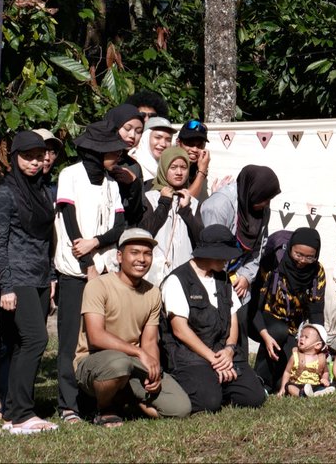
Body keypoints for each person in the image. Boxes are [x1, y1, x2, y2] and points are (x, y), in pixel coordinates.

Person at [74, 228, 191, 424]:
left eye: (147, 254)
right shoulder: (98, 286)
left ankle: (129, 397)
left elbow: (150, 340)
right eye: (134, 253)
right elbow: (96, 336)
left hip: (134, 362)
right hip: (96, 360)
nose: (142, 259)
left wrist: (153, 370)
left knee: (180, 408)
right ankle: (105, 408)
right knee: (119, 363)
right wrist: (138, 353)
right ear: (119, 256)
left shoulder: (153, 293)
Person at [52, 119, 128, 423]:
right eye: (112, 151)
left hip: (105, 270)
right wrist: (87, 265)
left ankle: (95, 402)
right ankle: (68, 405)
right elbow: (70, 224)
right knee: (71, 339)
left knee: (99, 338)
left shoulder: (112, 184)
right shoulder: (69, 175)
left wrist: (96, 242)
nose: (118, 155)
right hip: (76, 272)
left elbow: (119, 226)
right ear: (96, 152)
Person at [0, 130, 58, 434]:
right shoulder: (5, 194)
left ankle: (15, 412)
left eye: (39, 157)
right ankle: (22, 413)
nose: (34, 163)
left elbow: (47, 240)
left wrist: (51, 277)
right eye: (28, 157)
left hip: (41, 276)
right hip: (17, 278)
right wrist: (6, 286)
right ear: (15, 158)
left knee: (22, 344)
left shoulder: (42, 191)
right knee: (35, 340)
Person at [161, 224, 266, 413]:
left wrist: (229, 350)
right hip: (191, 356)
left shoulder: (224, 278)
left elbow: (233, 320)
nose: (228, 260)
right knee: (209, 402)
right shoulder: (177, 280)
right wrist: (213, 359)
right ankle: (202, 383)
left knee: (254, 397)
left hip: (223, 352)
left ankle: (216, 381)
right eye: (225, 255)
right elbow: (179, 329)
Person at [252, 227, 328, 389]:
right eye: (298, 254)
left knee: (288, 376)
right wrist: (264, 333)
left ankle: (276, 385)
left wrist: (319, 341)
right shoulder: (273, 264)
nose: (302, 260)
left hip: (294, 327)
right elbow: (255, 305)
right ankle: (260, 381)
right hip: (265, 318)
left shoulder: (317, 272)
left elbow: (316, 310)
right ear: (290, 248)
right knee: (278, 331)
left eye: (309, 257)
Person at [199, 164, 280, 303]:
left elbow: (259, 247)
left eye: (269, 199)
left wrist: (246, 276)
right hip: (210, 280)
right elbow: (211, 253)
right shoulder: (219, 206)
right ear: (253, 192)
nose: (267, 204)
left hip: (237, 282)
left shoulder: (262, 210)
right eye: (265, 199)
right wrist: (223, 287)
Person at [142, 146, 201, 288]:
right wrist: (163, 203)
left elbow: (200, 239)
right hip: (154, 275)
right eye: (173, 167)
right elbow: (145, 233)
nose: (179, 172)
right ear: (164, 168)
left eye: (183, 167)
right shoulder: (150, 198)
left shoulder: (193, 202)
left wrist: (186, 211)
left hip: (184, 277)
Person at [103, 104, 147, 225]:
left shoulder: (133, 166)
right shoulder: (91, 158)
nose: (132, 135)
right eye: (127, 128)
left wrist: (134, 184)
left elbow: (137, 214)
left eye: (138, 131)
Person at [277, 323, 331, 397]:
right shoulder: (295, 356)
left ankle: (318, 392)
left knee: (321, 387)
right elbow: (287, 372)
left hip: (314, 385)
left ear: (317, 345)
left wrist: (325, 379)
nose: (301, 338)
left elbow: (325, 372)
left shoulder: (321, 359)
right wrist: (283, 388)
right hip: (297, 384)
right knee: (289, 386)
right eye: (301, 336)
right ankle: (301, 394)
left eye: (306, 337)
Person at [132, 116, 175, 188]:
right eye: (158, 137)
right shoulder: (133, 164)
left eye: (168, 140)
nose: (163, 144)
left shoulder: (172, 167)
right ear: (145, 138)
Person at [176, 119, 213, 200]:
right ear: (178, 142)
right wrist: (202, 172)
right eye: (190, 144)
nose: (195, 150)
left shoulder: (196, 167)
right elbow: (185, 201)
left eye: (199, 145)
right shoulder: (171, 165)